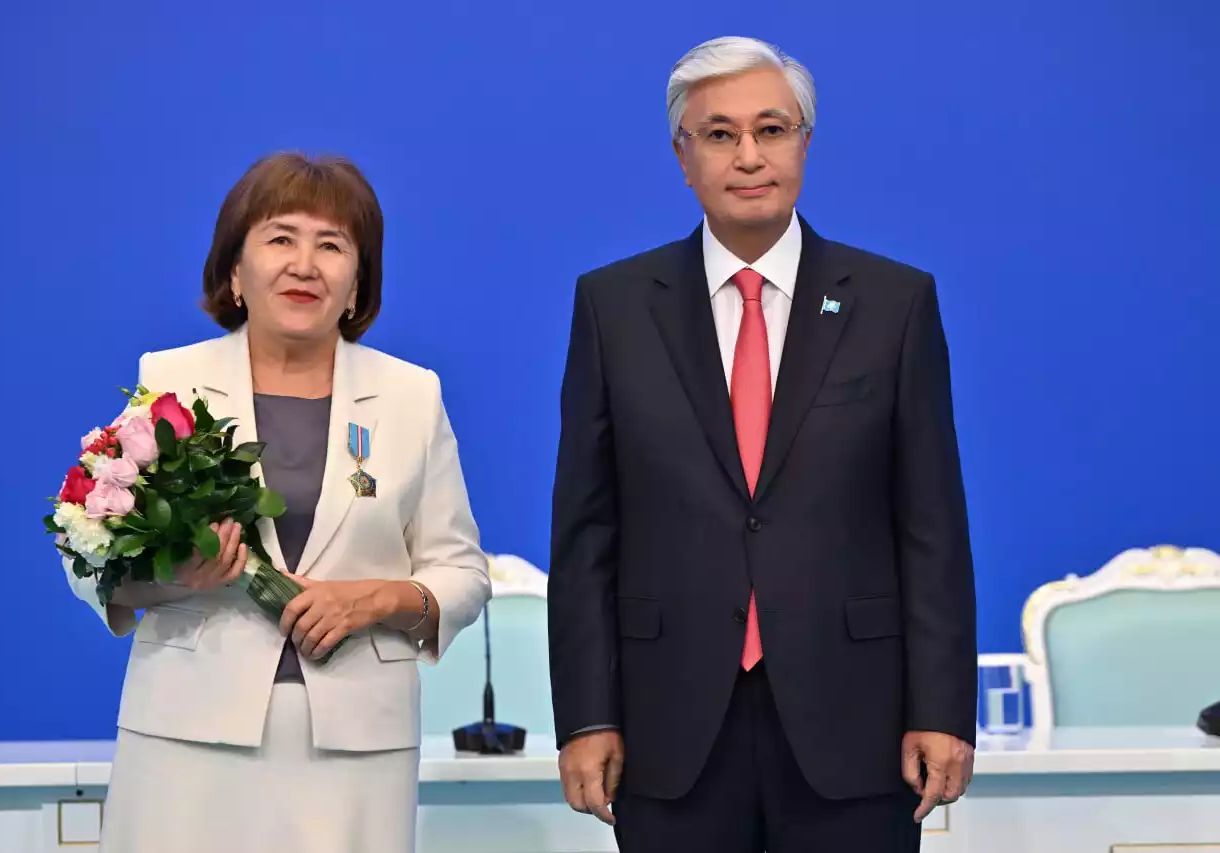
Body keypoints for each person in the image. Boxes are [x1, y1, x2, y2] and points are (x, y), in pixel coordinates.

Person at [548, 36, 977, 852]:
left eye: (771, 130)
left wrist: (943, 710)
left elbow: (932, 527)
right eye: (719, 134)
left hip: (856, 721)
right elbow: (585, 534)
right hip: (668, 725)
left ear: (804, 144)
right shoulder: (614, 306)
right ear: (682, 157)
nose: (748, 155)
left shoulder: (894, 303)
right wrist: (587, 717)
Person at [63, 152, 491, 853]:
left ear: (357, 284)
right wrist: (178, 578)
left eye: (332, 246)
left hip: (355, 747)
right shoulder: (171, 381)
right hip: (187, 736)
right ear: (235, 271)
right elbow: (90, 556)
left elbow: (463, 573)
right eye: (281, 238)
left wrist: (374, 599)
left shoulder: (412, 396)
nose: (304, 264)